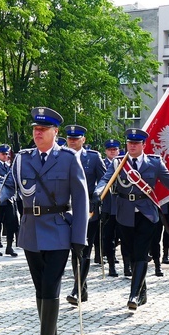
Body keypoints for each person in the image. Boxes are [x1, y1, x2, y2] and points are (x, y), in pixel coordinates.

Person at [0, 107, 88, 335]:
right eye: (35, 129)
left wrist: (79, 237)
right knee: (39, 289)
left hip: (57, 230)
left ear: (56, 132)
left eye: (43, 129)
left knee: (50, 288)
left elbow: (80, 198)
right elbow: (9, 184)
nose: (37, 133)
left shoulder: (67, 158)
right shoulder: (22, 158)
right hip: (31, 230)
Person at [94, 128, 169, 311]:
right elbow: (105, 180)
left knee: (140, 253)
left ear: (143, 145)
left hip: (147, 214)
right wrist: (97, 193)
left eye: (136, 143)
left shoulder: (154, 163)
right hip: (125, 214)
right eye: (129, 143)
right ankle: (142, 292)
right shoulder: (119, 163)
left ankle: (133, 295)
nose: (132, 146)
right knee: (131, 253)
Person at [63, 124, 106, 305]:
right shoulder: (60, 157)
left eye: (76, 138)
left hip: (88, 209)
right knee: (74, 250)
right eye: (70, 138)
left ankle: (76, 290)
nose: (72, 141)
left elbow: (105, 178)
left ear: (83, 140)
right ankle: (82, 287)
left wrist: (98, 193)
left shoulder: (93, 158)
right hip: (67, 210)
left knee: (85, 249)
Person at [95, 139, 121, 277]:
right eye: (110, 149)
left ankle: (128, 264)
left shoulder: (124, 164)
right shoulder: (102, 164)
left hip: (122, 206)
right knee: (109, 236)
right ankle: (111, 265)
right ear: (106, 151)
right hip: (107, 206)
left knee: (123, 236)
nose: (112, 151)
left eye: (115, 149)